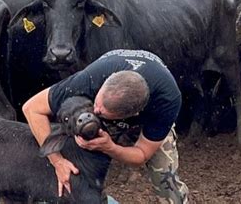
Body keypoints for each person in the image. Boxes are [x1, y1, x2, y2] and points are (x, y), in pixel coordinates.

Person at [22, 49, 189, 203]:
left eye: (101, 112)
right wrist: (57, 162)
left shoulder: (167, 102)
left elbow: (142, 155)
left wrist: (110, 148)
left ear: (130, 116)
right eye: (96, 103)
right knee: (77, 163)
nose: (95, 110)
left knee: (165, 178)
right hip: (109, 95)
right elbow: (32, 109)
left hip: (149, 115)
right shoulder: (90, 79)